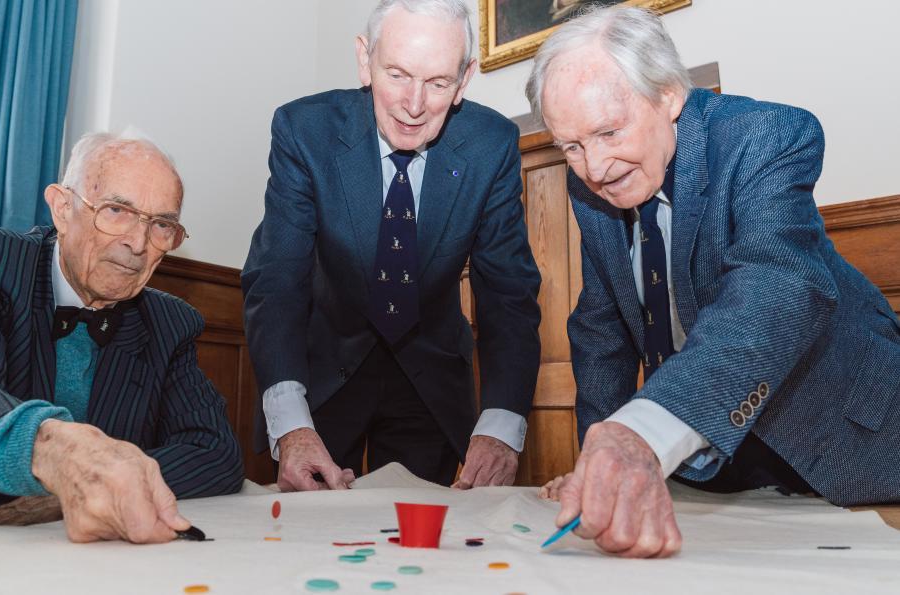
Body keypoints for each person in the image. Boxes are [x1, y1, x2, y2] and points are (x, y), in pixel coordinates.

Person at [527, 6, 900, 558]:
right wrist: (599, 464)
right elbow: (602, 331)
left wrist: (642, 436)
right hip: (714, 461)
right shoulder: (592, 188)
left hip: (844, 443)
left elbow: (778, 286)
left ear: (669, 95)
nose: (595, 166)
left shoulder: (765, 136)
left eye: (608, 131)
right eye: (572, 147)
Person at [241, 0, 541, 492]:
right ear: (365, 60)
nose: (414, 103)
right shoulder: (305, 131)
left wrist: (502, 426)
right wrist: (291, 425)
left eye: (439, 83)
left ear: (465, 80)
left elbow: (508, 292)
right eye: (398, 74)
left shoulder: (492, 144)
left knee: (423, 546)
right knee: (305, 539)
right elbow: (277, 279)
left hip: (429, 379)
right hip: (322, 374)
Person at [0, 133, 244, 542]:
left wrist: (59, 497)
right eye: (117, 210)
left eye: (161, 224)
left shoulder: (172, 323)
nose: (137, 244)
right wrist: (54, 456)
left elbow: (215, 453)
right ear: (63, 209)